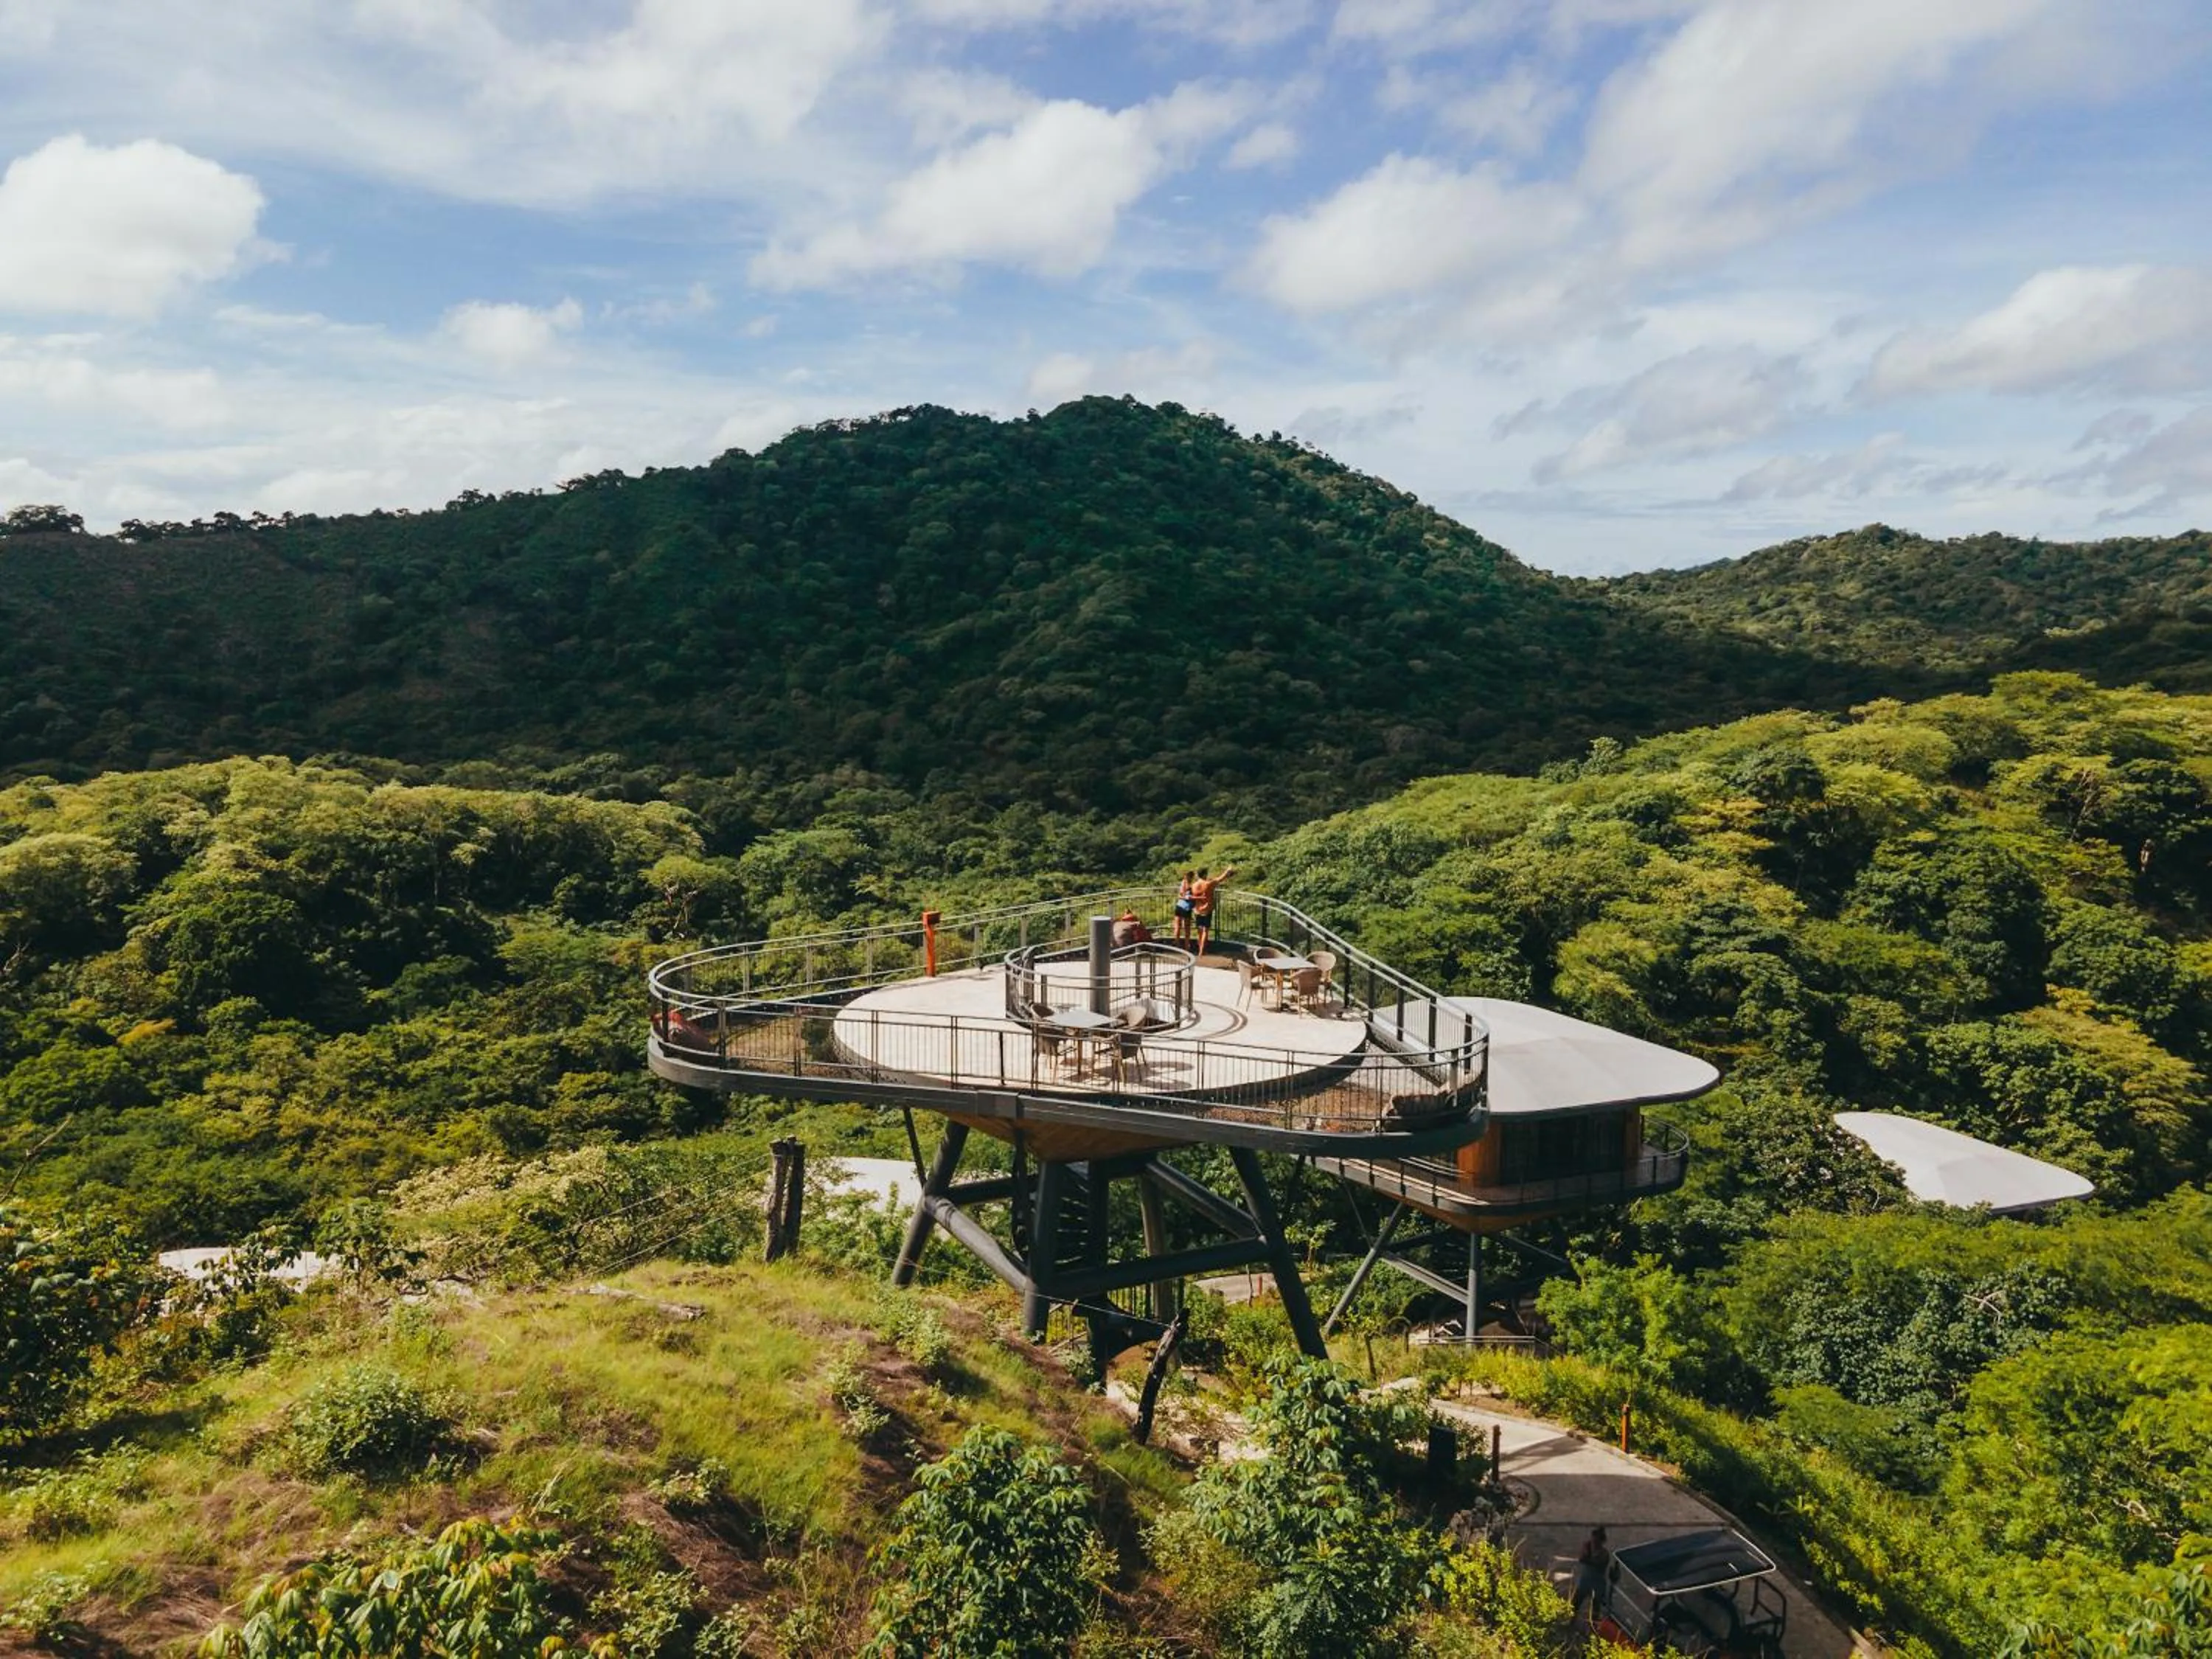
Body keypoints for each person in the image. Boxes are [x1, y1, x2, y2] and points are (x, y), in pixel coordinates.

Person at [1191, 865, 1234, 957]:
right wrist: (1228, 871)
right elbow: (1220, 879)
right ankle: (1202, 952)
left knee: (1199, 931)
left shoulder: (1194, 885)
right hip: (1207, 910)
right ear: (1205, 874)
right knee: (1205, 931)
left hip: (1197, 910)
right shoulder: (1208, 884)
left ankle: (1199, 950)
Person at [1571, 1526, 1610, 1621]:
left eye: (1596, 1542)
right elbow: (1582, 1559)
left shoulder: (1604, 1554)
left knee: (1595, 1609)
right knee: (1575, 1604)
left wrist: (1588, 1554)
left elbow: (1594, 1562)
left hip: (1596, 1583)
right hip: (1586, 1581)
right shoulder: (1588, 1546)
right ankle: (1570, 1620)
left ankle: (1593, 1628)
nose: (1594, 1543)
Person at [1172, 871, 1197, 942]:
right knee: (1187, 928)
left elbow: (1180, 895)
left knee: (1177, 926)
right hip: (1186, 908)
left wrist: (1183, 896)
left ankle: (1177, 943)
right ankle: (1187, 945)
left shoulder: (1183, 883)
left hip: (1179, 906)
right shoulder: (1191, 885)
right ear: (1192, 877)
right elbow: (1189, 896)